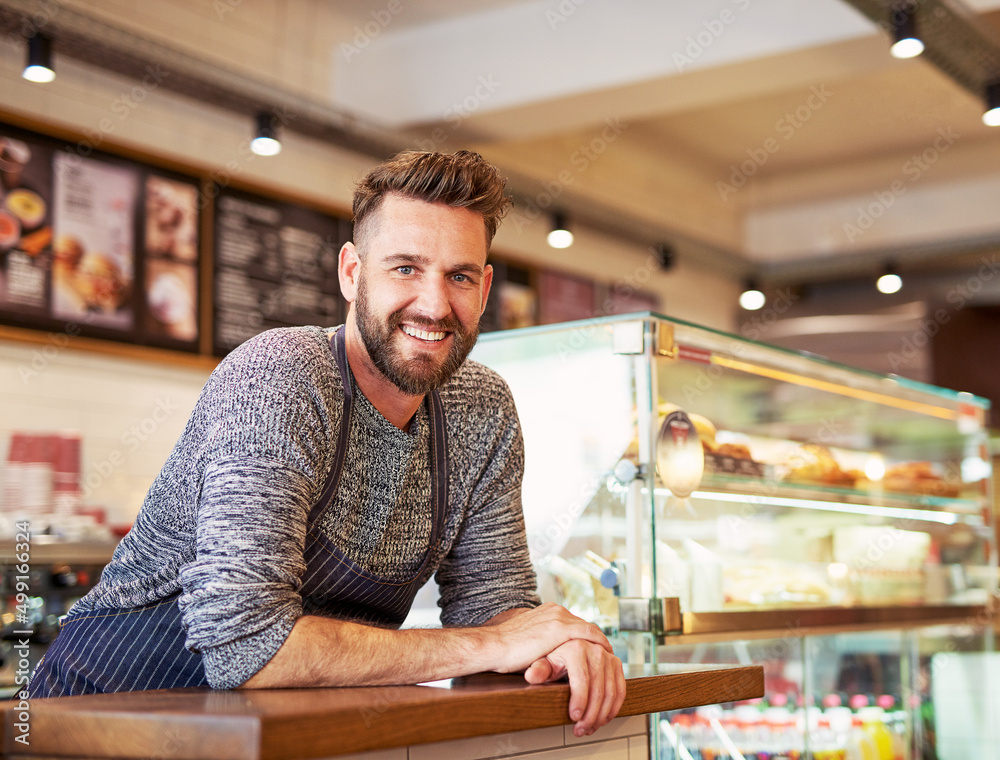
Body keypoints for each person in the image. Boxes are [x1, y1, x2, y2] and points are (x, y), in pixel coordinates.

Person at [28, 150, 625, 736]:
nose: (435, 304)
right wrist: (494, 643)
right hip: (102, 720)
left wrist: (558, 644)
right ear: (350, 272)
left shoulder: (482, 409)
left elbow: (494, 602)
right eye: (405, 268)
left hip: (285, 733)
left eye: (460, 276)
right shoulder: (281, 377)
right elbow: (246, 645)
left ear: (486, 288)